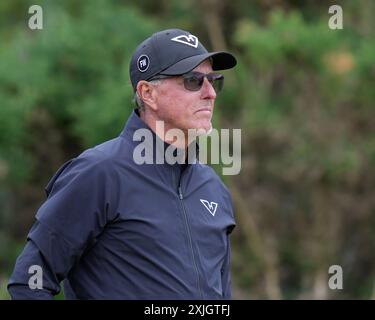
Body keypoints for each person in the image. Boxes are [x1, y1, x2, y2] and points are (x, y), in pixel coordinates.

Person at [8, 28, 237, 299]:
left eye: (214, 81)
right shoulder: (98, 173)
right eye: (193, 81)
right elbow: (30, 283)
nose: (210, 93)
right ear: (148, 93)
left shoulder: (214, 188)